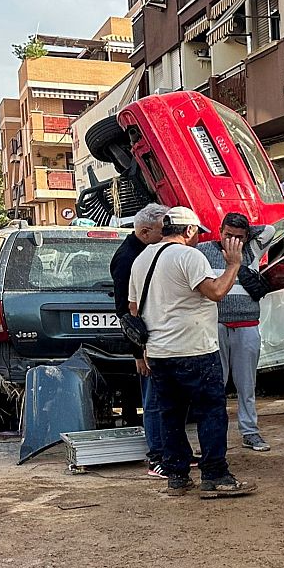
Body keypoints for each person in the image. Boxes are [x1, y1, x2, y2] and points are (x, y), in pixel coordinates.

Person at [128, 207, 257, 498]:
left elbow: (134, 309)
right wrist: (233, 264)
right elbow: (216, 292)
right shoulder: (189, 256)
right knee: (211, 411)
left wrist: (144, 349)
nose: (199, 238)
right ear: (188, 230)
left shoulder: (142, 259)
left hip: (160, 353)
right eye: (197, 232)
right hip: (195, 349)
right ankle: (215, 475)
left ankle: (177, 476)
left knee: (170, 414)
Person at [199, 213, 272, 452]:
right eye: (228, 235)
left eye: (239, 237)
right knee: (213, 386)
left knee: (246, 385)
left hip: (247, 325)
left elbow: (271, 229)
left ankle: (250, 432)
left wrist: (246, 239)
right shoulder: (203, 251)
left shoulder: (252, 251)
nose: (233, 241)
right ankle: (213, 437)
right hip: (215, 325)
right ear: (219, 232)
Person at [110, 203, 172, 477]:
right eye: (163, 230)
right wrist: (138, 352)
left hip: (159, 339)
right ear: (145, 231)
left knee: (165, 398)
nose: (167, 234)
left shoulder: (147, 250)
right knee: (153, 400)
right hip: (146, 343)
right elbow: (125, 312)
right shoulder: (128, 258)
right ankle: (157, 455)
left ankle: (170, 450)